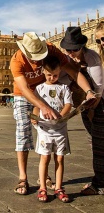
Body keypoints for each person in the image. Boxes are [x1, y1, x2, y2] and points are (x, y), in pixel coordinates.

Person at [10, 32, 96, 195]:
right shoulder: (16, 60)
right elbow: (24, 89)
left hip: (45, 91)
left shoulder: (51, 50)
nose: (36, 60)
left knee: (47, 135)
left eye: (38, 56)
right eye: (33, 57)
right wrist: (43, 107)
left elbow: (74, 73)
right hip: (23, 95)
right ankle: (23, 177)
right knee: (23, 132)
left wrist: (89, 91)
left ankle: (45, 176)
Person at [60, 26, 104, 195]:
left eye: (75, 49)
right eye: (68, 49)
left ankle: (99, 184)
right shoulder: (67, 58)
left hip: (98, 104)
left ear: (82, 46)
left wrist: (93, 108)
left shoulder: (91, 56)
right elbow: (62, 78)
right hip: (85, 106)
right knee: (93, 142)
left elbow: (98, 88)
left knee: (99, 145)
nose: (71, 52)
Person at [32, 56, 72, 202]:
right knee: (45, 158)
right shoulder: (40, 88)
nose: (52, 77)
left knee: (59, 159)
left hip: (60, 129)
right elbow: (36, 105)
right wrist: (34, 117)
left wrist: (60, 116)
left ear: (60, 72)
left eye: (55, 75)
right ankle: (42, 187)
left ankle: (59, 187)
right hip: (44, 129)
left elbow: (68, 104)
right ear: (43, 72)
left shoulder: (64, 88)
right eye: (49, 74)